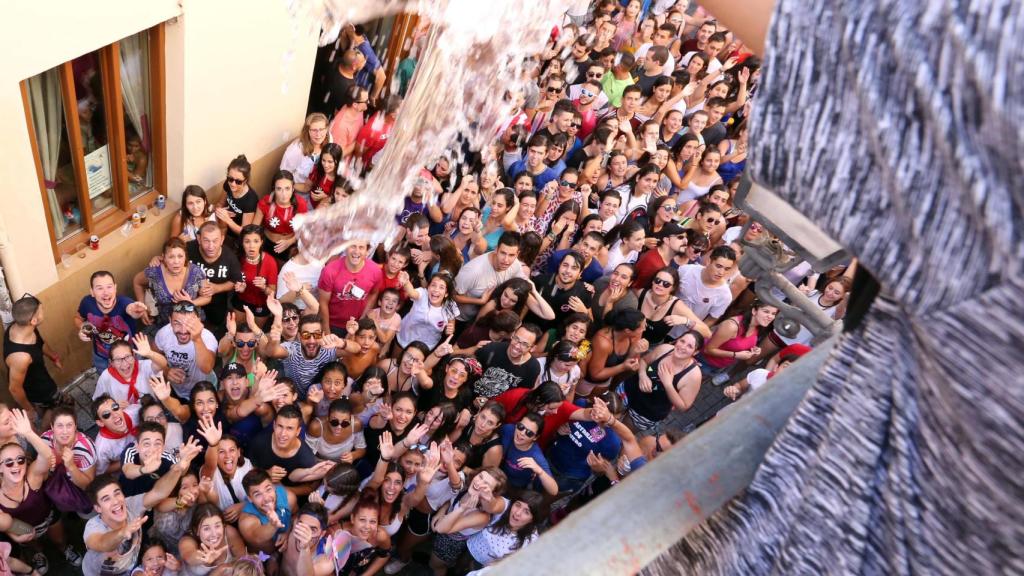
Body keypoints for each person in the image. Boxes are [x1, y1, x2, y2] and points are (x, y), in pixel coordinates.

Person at [83, 437, 201, 576]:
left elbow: (159, 492)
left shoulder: (130, 504)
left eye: (117, 493)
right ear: (97, 508)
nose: (115, 501)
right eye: (106, 499)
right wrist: (122, 532)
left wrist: (179, 467)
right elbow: (101, 543)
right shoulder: (93, 527)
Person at [623, 330, 704, 433]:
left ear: (695, 352)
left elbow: (683, 406)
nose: (683, 347)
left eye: (689, 346)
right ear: (677, 339)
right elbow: (644, 361)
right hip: (627, 390)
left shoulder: (693, 375)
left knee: (620, 432)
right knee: (606, 415)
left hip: (646, 412)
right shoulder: (665, 349)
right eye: (682, 341)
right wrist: (643, 375)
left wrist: (668, 384)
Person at [247, 406, 335, 496]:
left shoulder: (305, 457)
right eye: (280, 426)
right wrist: (266, 474)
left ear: (298, 431)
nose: (283, 434)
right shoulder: (259, 442)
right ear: (274, 425)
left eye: (289, 428)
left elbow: (309, 488)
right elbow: (249, 470)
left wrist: (281, 490)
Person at [4, 295, 60, 425]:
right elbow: (14, 388)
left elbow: (39, 343)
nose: (43, 312)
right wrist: (29, 409)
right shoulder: (21, 357)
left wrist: (53, 356)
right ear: (34, 320)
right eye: (41, 310)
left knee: (53, 411)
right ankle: (43, 436)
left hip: (43, 380)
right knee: (59, 410)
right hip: (39, 391)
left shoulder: (22, 326)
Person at [75, 271, 148, 372]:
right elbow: (78, 318)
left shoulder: (123, 302)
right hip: (102, 358)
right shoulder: (87, 303)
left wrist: (136, 311)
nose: (106, 292)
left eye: (109, 287)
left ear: (115, 288)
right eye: (100, 288)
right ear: (92, 292)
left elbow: (131, 309)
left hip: (129, 355)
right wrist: (82, 327)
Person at [133, 238, 210, 327]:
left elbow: (207, 297)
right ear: (164, 257)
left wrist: (190, 302)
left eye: (180, 256)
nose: (176, 261)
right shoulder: (154, 273)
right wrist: (142, 308)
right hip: (165, 325)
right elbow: (137, 281)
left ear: (185, 257)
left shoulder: (196, 272)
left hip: (192, 324)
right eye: (171, 257)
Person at [453, 232, 527, 324]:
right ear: (496, 249)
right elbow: (453, 295)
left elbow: (523, 288)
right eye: (503, 253)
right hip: (460, 318)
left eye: (511, 255)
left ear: (517, 254)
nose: (506, 260)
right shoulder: (473, 271)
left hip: (486, 317)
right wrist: (480, 301)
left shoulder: (515, 264)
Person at [186, 222, 243, 338]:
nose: (211, 246)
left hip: (217, 302)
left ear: (222, 239)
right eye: (206, 240)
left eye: (215, 241)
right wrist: (158, 258)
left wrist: (217, 288)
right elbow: (171, 257)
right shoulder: (188, 249)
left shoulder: (230, 258)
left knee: (215, 324)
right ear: (199, 238)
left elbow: (235, 281)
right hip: (190, 299)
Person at [317, 239, 383, 336]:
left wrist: (361, 321)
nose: (356, 251)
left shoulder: (375, 271)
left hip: (357, 325)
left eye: (361, 247)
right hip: (332, 324)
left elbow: (373, 294)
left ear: (367, 251)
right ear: (346, 247)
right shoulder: (330, 270)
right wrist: (327, 332)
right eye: (353, 246)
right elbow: (323, 302)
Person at [152, 303, 217, 400]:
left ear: (198, 321)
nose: (183, 330)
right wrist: (166, 371)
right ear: (170, 321)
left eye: (189, 323)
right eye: (177, 323)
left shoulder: (207, 337)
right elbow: (154, 355)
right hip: (176, 390)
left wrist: (197, 339)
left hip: (203, 390)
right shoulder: (163, 334)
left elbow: (207, 368)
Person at [473, 324, 543, 400]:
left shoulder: (532, 367)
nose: (517, 346)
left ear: (532, 348)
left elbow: (521, 395)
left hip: (498, 408)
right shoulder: (492, 348)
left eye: (524, 344)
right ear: (512, 335)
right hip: (471, 396)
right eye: (516, 338)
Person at [237, 468, 298, 555]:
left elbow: (295, 515)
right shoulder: (246, 520)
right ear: (250, 499)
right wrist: (273, 525)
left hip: (287, 548)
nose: (266, 498)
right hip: (262, 559)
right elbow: (258, 538)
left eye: (268, 489)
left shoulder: (288, 497)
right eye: (258, 494)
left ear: (274, 487)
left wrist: (287, 532)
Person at [93, 336, 165, 406]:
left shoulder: (142, 366)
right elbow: (97, 402)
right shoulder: (106, 377)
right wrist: (113, 405)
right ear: (111, 363)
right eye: (118, 360)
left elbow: (162, 364)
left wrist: (149, 353)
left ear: (133, 355)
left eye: (127, 356)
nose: (125, 363)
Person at [177, 504, 247, 576]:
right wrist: (204, 558)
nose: (214, 534)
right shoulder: (187, 540)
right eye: (206, 528)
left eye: (217, 526)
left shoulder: (229, 533)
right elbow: (189, 557)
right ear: (196, 530)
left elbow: (243, 560)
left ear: (223, 525)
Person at [676, 245, 737, 324]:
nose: (721, 273)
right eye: (718, 266)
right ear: (709, 261)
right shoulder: (686, 270)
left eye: (726, 269)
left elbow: (711, 320)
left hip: (685, 333)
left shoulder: (725, 295)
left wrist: (694, 334)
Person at [279, 113, 331, 198]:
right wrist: (300, 187)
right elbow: (282, 177)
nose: (318, 134)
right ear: (307, 131)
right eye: (314, 130)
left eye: (321, 129)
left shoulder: (329, 139)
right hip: (298, 194)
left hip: (320, 190)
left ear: (327, 129)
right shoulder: (295, 150)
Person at [214, 155, 259, 245]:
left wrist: (227, 219)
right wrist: (220, 211)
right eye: (230, 179)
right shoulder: (228, 184)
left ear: (245, 181)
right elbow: (220, 203)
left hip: (238, 237)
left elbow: (244, 232)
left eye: (238, 181)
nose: (233, 184)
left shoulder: (250, 199)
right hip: (224, 227)